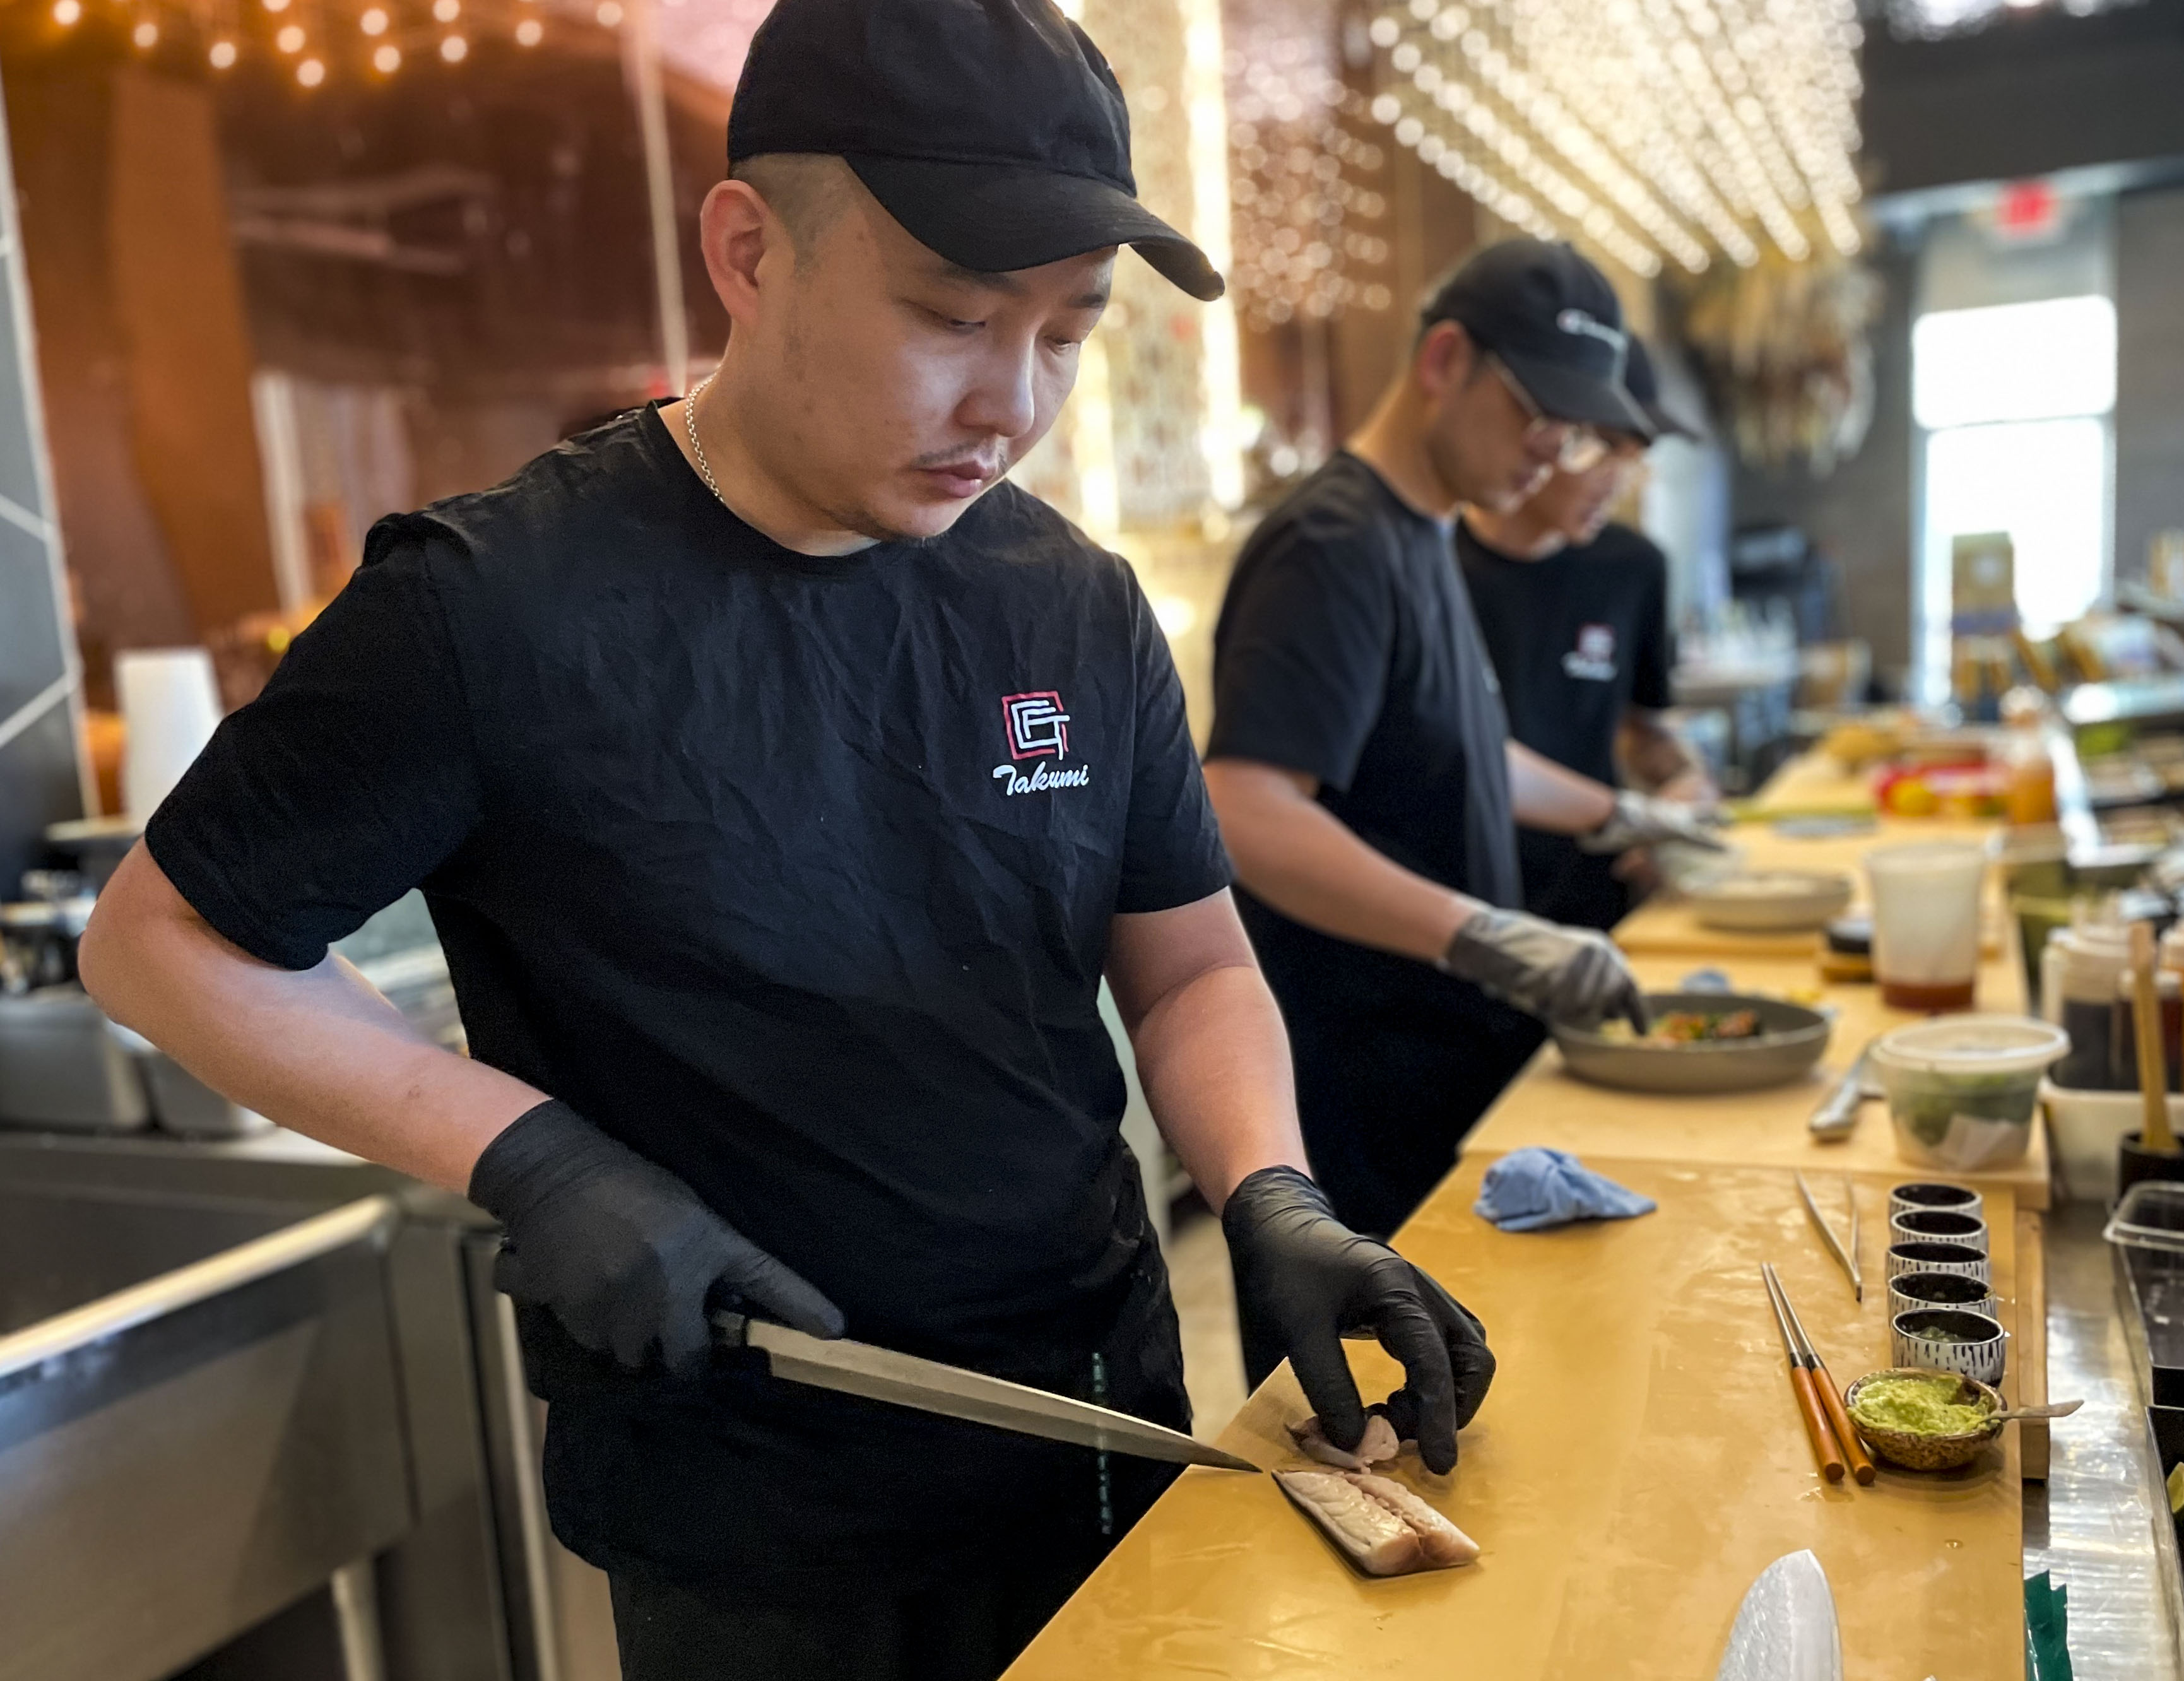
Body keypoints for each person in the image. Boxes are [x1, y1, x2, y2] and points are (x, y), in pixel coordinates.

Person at [74, 4, 1494, 1677]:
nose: (1012, 402)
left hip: (1092, 1421)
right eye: (953, 316)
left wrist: (1273, 1194)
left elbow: (1186, 967)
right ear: (748, 252)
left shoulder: (1071, 603)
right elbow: (161, 942)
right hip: (748, 1501)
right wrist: (532, 1157)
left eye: (1065, 333)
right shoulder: (495, 606)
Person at [1203, 241, 1720, 1286]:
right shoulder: (1333, 544)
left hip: (1446, 1059)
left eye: (1577, 431)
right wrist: (1476, 931)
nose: (1554, 451)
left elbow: (1469, 753)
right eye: (1540, 414)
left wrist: (1621, 813)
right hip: (1360, 1075)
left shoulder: (1423, 533)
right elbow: (1245, 806)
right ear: (1445, 360)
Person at [1458, 329, 1717, 933]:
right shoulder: (1433, 569)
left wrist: (1683, 782)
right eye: (1603, 446)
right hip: (1461, 909)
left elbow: (1645, 729)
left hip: (1594, 904)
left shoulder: (1634, 567)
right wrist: (1624, 811)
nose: (1620, 478)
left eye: (1636, 454)